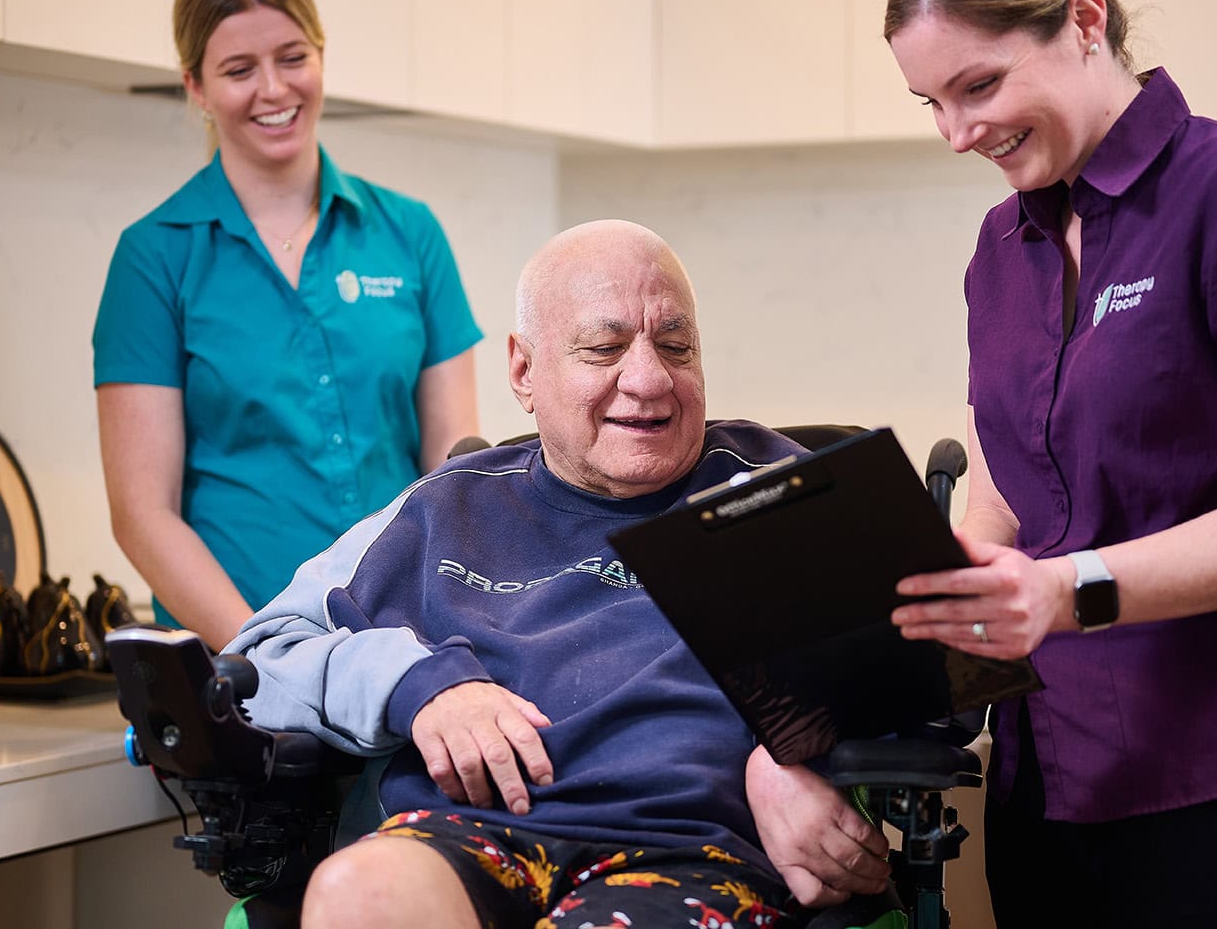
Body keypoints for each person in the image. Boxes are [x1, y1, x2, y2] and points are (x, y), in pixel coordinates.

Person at [812, 0, 1217, 928]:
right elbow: (1009, 486)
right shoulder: (999, 251)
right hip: (1053, 789)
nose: (954, 132)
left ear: (1084, 20)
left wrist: (1065, 593)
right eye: (929, 102)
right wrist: (965, 574)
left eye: (977, 85)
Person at [224, 220, 891, 928]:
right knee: (355, 893)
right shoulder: (444, 509)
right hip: (465, 835)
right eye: (604, 349)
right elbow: (255, 662)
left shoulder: (776, 489)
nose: (648, 379)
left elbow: (941, 670)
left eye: (675, 346)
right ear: (524, 372)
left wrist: (790, 753)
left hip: (690, 851)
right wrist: (416, 687)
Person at [93, 0, 483, 650]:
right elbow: (142, 513)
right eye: (239, 70)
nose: (273, 89)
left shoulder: (410, 234)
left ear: (322, 57)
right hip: (241, 670)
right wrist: (272, 653)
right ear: (197, 87)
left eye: (293, 57)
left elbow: (451, 470)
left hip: (400, 646)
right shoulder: (155, 256)